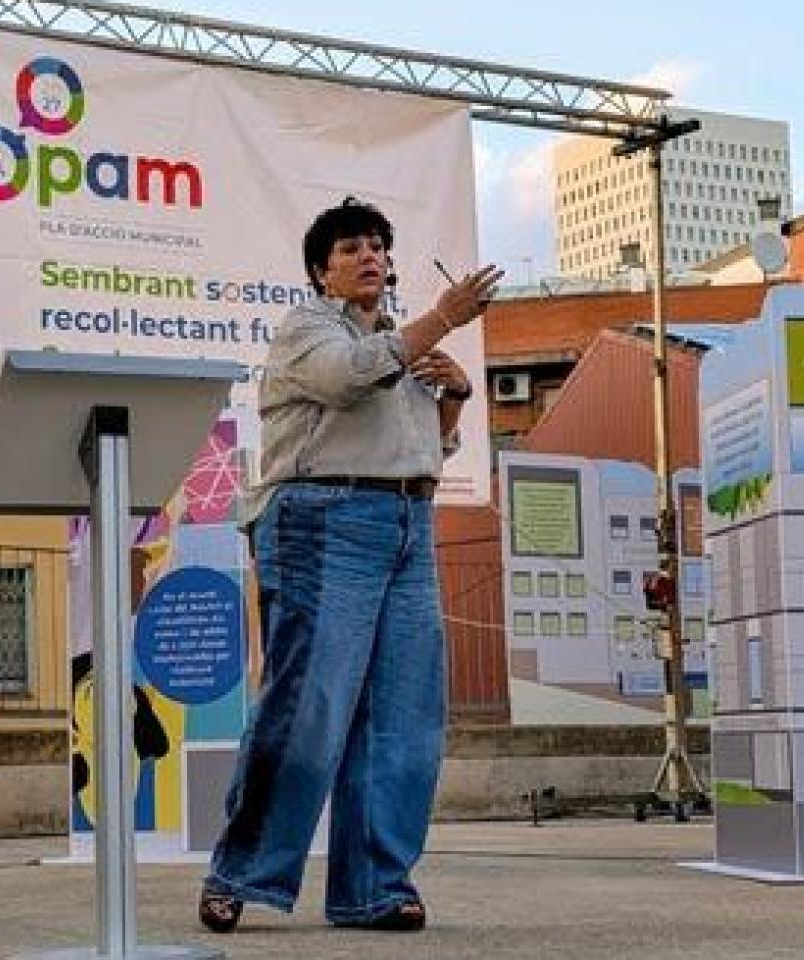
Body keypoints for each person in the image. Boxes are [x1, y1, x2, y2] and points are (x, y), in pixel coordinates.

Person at [199, 197, 500, 933]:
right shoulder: (308, 329)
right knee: (310, 706)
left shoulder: (402, 344)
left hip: (406, 521)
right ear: (320, 273)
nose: (369, 257)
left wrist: (453, 396)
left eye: (377, 246)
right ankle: (240, 871)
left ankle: (375, 886)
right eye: (349, 249)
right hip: (322, 519)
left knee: (404, 716)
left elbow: (426, 447)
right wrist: (445, 318)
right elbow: (345, 379)